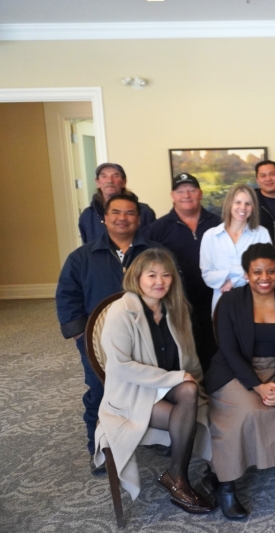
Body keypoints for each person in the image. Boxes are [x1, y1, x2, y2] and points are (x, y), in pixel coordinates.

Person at [93, 248, 213, 513]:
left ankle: (179, 476)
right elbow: (122, 367)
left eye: (166, 275)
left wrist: (197, 386)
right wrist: (175, 378)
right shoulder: (121, 311)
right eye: (152, 275)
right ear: (137, 277)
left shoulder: (175, 309)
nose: (160, 281)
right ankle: (178, 479)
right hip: (131, 393)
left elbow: (189, 360)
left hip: (166, 388)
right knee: (185, 412)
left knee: (192, 392)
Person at [56, 193, 161, 475]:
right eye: (116, 212)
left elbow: (172, 291)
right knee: (101, 392)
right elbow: (67, 298)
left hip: (148, 339)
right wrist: (84, 339)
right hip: (98, 344)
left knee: (150, 387)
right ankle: (101, 449)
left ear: (138, 219)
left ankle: (155, 436)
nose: (122, 218)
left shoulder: (154, 254)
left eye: (129, 213)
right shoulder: (81, 257)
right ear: (104, 217)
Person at [204, 243, 275, 520]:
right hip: (236, 370)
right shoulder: (230, 301)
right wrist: (257, 386)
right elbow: (229, 349)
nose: (265, 277)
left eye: (271, 271)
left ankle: (223, 471)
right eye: (257, 271)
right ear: (246, 273)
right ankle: (225, 485)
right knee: (245, 414)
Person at [146, 173, 222, 371]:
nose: (186, 195)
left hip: (214, 301)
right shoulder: (157, 229)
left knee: (215, 352)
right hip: (175, 303)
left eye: (191, 190)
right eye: (180, 191)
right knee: (183, 354)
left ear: (200, 193)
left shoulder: (219, 224)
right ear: (172, 195)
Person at [200, 183, 272, 313]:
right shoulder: (210, 236)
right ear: (229, 204)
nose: (242, 208)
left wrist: (232, 281)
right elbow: (208, 276)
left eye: (248, 203)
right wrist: (241, 272)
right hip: (222, 306)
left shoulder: (262, 234)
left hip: (258, 307)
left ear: (253, 207)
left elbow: (266, 273)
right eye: (237, 202)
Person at [79, 162, 156, 244]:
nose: (109, 181)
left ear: (123, 182)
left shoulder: (144, 211)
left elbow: (152, 247)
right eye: (104, 176)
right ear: (97, 182)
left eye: (115, 176)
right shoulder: (87, 215)